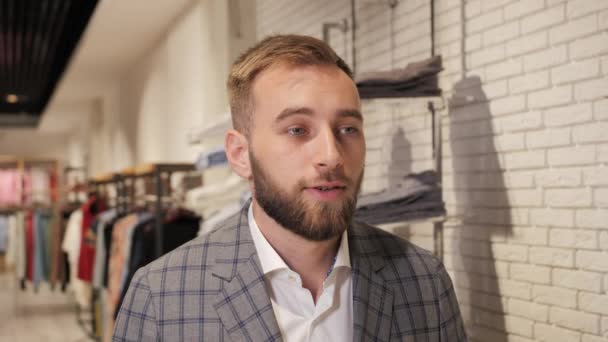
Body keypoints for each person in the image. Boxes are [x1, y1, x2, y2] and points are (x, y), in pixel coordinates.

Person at [113, 34, 467, 342]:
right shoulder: (162, 296)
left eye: (347, 128)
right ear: (240, 154)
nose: (331, 156)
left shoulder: (424, 280)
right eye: (297, 130)